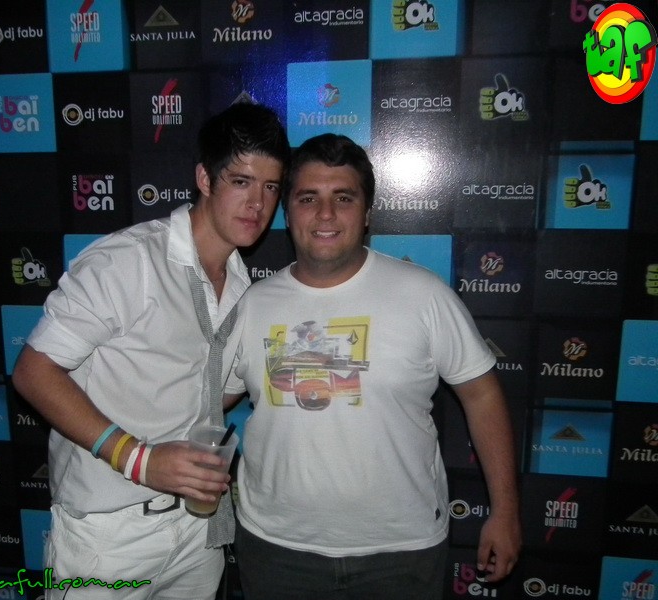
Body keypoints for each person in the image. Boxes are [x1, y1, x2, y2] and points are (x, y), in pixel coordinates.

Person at [223, 133, 521, 600]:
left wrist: (505, 512)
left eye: (343, 198)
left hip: (402, 552)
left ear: (366, 214)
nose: (325, 214)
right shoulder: (252, 304)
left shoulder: (424, 295)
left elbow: (482, 396)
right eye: (308, 198)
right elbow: (209, 400)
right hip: (278, 548)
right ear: (288, 212)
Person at [11, 102, 290, 600]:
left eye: (271, 188)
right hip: (108, 534)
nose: (257, 204)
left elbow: (210, 392)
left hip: (196, 530)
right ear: (205, 179)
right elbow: (34, 371)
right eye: (241, 181)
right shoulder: (130, 260)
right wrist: (139, 459)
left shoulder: (243, 285)